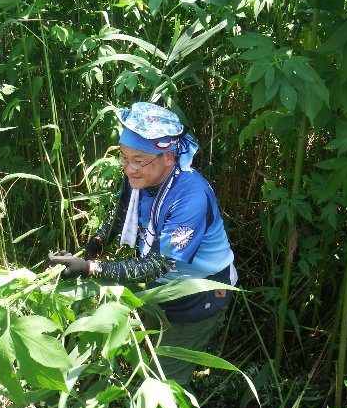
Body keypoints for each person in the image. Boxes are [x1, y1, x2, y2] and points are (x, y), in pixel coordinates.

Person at [49, 101, 238, 386]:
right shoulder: (140, 177)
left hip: (199, 293)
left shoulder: (191, 197)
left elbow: (157, 264)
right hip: (161, 289)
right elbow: (120, 215)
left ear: (169, 157)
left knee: (165, 380)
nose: (129, 169)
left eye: (138, 160)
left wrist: (89, 268)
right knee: (151, 356)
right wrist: (92, 248)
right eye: (124, 158)